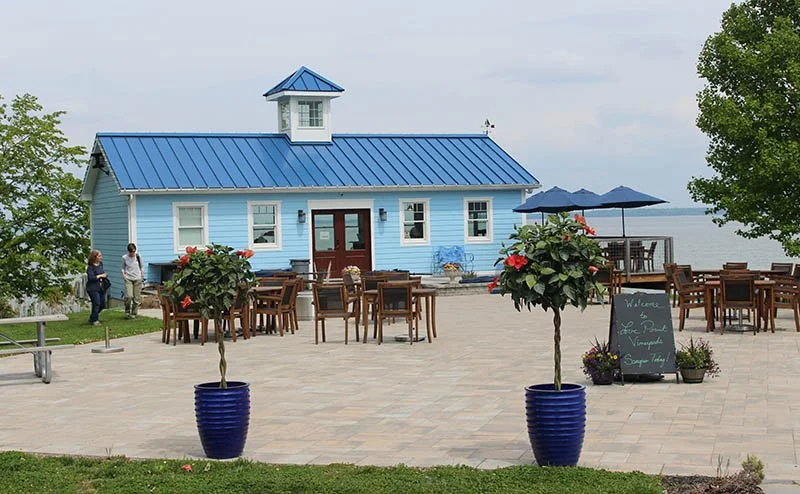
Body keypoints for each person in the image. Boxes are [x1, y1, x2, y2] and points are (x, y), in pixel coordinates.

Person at [121, 243, 144, 319]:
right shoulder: (125, 257)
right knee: (129, 296)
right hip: (128, 279)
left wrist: (142, 276)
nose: (133, 253)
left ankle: (134, 313)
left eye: (134, 251)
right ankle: (127, 311)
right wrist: (124, 275)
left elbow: (142, 267)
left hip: (137, 279)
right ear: (129, 251)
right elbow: (123, 268)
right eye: (131, 252)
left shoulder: (138, 256)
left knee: (136, 298)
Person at [86, 249, 109, 326]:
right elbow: (91, 278)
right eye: (99, 256)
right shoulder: (90, 267)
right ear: (95, 257)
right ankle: (95, 320)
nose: (101, 257)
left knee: (102, 304)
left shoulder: (100, 264)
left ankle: (92, 317)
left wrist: (104, 275)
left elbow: (102, 272)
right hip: (92, 288)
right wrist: (100, 276)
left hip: (100, 287)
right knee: (96, 303)